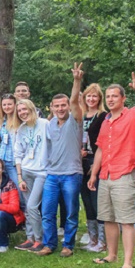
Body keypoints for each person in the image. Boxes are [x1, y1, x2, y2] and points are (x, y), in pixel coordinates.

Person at [89, 72, 135, 268]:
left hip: (125, 173)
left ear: (123, 98)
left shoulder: (133, 115)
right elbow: (100, 149)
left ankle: (127, 264)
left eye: (114, 96)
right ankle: (112, 255)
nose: (110, 99)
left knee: (126, 220)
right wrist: (94, 175)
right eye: (108, 96)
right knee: (108, 218)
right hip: (105, 175)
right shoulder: (106, 121)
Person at [36, 63, 85, 257]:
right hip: (52, 175)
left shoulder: (75, 121)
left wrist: (76, 80)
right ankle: (49, 244)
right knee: (47, 213)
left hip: (71, 174)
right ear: (52, 107)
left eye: (63, 105)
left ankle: (68, 245)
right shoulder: (50, 124)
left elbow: (74, 100)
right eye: (56, 106)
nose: (60, 108)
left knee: (71, 212)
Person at [14, 99, 50, 252]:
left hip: (41, 172)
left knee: (32, 206)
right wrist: (19, 177)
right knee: (28, 207)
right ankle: (30, 238)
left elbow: (55, 142)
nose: (22, 113)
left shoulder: (44, 124)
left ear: (31, 108)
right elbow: (18, 153)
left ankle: (39, 239)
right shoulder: (21, 129)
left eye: (25, 109)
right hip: (26, 171)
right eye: (19, 110)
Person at [79, 83, 107, 253]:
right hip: (80, 161)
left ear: (99, 98)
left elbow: (104, 143)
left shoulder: (103, 116)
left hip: (96, 160)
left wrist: (95, 165)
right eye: (88, 96)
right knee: (87, 201)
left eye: (94, 96)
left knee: (97, 202)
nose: (91, 99)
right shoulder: (81, 116)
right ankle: (92, 238)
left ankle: (103, 241)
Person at [0, 94, 21, 187]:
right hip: (0, 159)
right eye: (4, 105)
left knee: (17, 186)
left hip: (13, 161)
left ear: (15, 105)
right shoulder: (1, 122)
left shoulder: (20, 122)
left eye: (9, 104)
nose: (6, 107)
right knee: (2, 187)